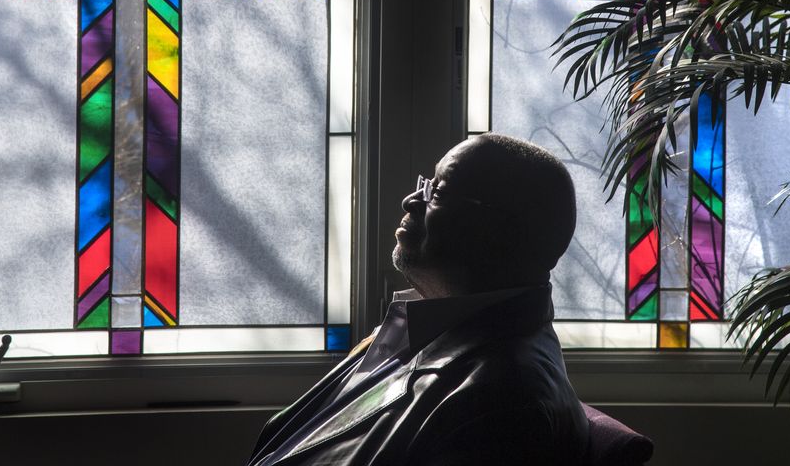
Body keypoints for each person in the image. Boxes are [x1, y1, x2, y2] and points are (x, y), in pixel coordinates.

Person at [245, 133, 588, 466]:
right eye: (427, 183)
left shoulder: (506, 404)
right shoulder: (426, 326)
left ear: (501, 231)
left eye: (438, 192)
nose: (410, 200)